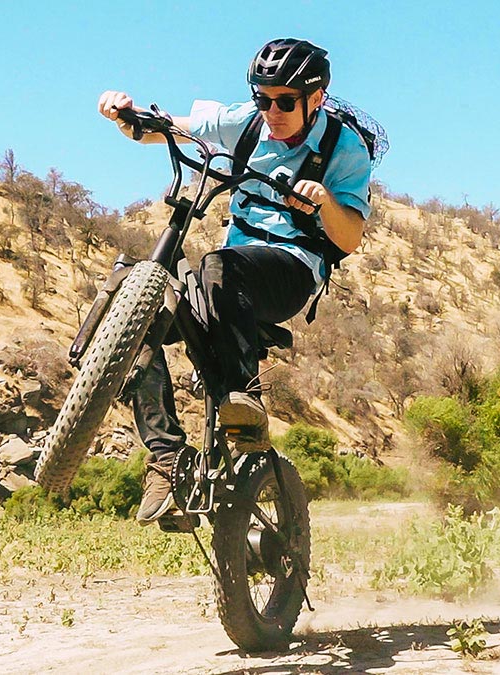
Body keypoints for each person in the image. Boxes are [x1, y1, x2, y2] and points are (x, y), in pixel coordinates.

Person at [97, 38, 373, 524]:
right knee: (141, 318)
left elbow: (349, 237)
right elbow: (163, 131)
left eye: (285, 101)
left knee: (217, 267)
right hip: (225, 278)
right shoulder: (243, 120)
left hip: (291, 269)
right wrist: (126, 114)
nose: (272, 110)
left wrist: (325, 201)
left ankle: (243, 399)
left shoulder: (343, 147)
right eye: (263, 97)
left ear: (317, 98)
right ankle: (166, 459)